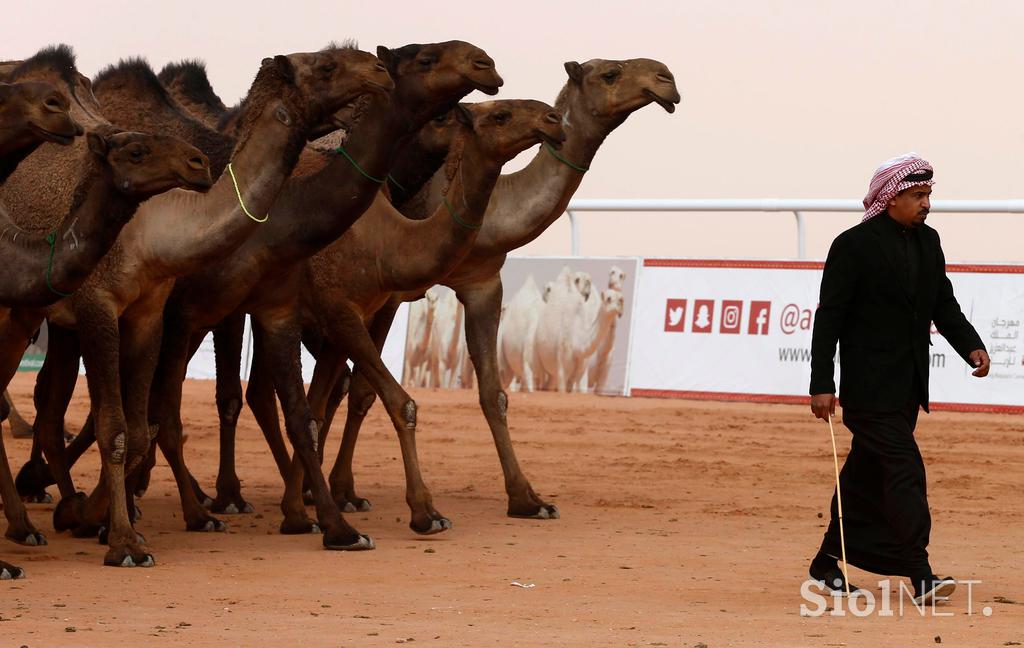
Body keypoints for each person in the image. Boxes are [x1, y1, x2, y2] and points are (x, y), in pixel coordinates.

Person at [807, 153, 990, 605]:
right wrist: (821, 382)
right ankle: (919, 571)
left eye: (928, 194)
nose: (926, 203)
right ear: (890, 199)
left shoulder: (930, 242)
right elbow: (829, 317)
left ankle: (827, 561)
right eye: (917, 195)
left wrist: (970, 345)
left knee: (864, 477)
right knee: (905, 471)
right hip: (868, 390)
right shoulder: (852, 245)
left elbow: (942, 304)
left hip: (908, 387)